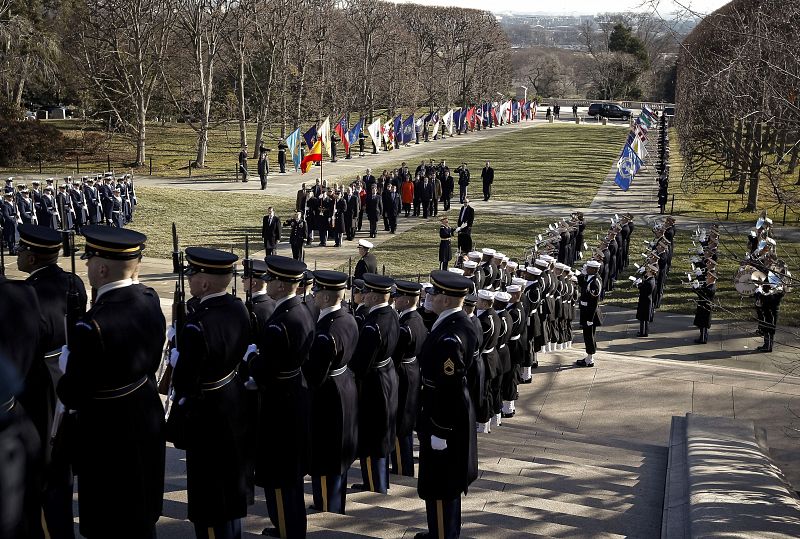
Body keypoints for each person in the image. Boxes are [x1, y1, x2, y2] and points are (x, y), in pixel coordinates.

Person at [56, 225, 166, 539]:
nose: (87, 265)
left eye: (89, 260)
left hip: (108, 432)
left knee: (110, 520)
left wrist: (67, 367)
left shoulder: (92, 325)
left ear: (102, 268)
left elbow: (73, 394)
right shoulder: (149, 298)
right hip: (145, 411)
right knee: (141, 513)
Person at [171, 247, 250, 539]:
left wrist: (176, 360)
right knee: (230, 486)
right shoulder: (237, 307)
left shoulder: (197, 324)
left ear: (205, 283)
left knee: (210, 496)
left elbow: (185, 382)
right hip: (233, 399)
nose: (189, 280)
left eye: (193, 274)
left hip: (207, 414)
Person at [16, 224, 88, 538]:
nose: (17, 254)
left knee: (39, 492)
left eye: (21, 250)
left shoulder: (25, 295)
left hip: (38, 396)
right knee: (61, 479)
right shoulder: (73, 284)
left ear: (31, 258)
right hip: (67, 392)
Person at [249, 256, 315, 538]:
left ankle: (287, 530)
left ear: (279, 284)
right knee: (290, 475)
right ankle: (291, 526)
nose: (268, 283)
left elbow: (266, 368)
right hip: (293, 394)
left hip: (280, 401)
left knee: (280, 474)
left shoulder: (282, 320)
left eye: (271, 280)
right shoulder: (299, 310)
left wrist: (251, 358)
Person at [415, 270, 478, 539]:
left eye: (433, 293)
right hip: (444, 410)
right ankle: (441, 531)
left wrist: (440, 429)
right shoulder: (455, 322)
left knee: (441, 483)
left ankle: (442, 534)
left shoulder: (453, 335)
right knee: (441, 482)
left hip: (444, 417)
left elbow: (448, 387)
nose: (429, 297)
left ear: (445, 299)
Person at [303, 270, 359, 514]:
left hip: (328, 395)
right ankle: (332, 502)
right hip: (344, 386)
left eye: (316, 292)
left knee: (326, 454)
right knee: (338, 453)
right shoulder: (347, 318)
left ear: (326, 298)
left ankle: (327, 507)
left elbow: (315, 374)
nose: (313, 295)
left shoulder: (327, 330)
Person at [349, 273, 399, 494]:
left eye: (368, 292)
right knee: (382, 431)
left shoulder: (373, 324)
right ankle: (378, 480)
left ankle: (374, 484)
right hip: (387, 375)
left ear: (375, 296)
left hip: (374, 382)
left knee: (372, 435)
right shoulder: (391, 314)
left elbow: (360, 363)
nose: (365, 295)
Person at [390, 281, 426, 477]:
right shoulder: (417, 319)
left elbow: (396, 356)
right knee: (406, 420)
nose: (395, 300)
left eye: (398, 297)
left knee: (401, 424)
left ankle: (402, 468)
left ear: (406, 299)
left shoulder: (406, 326)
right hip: (412, 370)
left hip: (403, 373)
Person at [577, 260, 602, 367]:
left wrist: (590, 319)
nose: (586, 269)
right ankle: (589, 357)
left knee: (589, 336)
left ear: (594, 270)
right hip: (586, 311)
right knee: (588, 335)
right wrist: (581, 274)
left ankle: (590, 359)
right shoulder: (590, 278)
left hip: (590, 313)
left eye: (588, 268)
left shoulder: (595, 282)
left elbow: (593, 303)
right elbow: (582, 284)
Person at [693, 271, 716, 344]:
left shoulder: (712, 288)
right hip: (702, 306)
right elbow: (700, 291)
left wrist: (698, 289)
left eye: (708, 276)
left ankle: (703, 339)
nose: (706, 277)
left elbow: (703, 294)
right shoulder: (707, 285)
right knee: (701, 323)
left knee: (703, 324)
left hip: (706, 308)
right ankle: (702, 337)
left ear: (712, 278)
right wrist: (695, 288)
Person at [635, 265, 657, 337]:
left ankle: (643, 333)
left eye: (648, 271)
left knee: (643, 317)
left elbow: (644, 290)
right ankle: (644, 332)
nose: (646, 272)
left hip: (645, 300)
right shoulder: (650, 279)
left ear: (651, 273)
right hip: (647, 300)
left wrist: (639, 285)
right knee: (644, 318)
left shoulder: (650, 282)